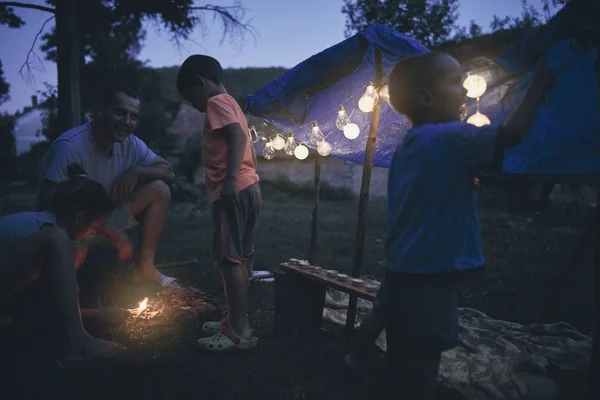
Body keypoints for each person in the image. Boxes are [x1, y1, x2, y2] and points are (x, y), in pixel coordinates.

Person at [347, 51, 556, 398]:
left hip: (402, 261)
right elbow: (512, 135)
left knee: (390, 317)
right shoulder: (452, 138)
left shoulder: (410, 145)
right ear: (427, 97)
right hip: (435, 268)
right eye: (456, 82)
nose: (465, 91)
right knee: (429, 345)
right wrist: (537, 87)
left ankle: (356, 355)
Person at [36, 87, 180, 291]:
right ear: (100, 110)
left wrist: (137, 171)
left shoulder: (130, 143)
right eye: (120, 113)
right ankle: (63, 290)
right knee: (85, 277)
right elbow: (48, 207)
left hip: (105, 214)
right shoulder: (71, 147)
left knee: (160, 189)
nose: (126, 122)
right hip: (68, 226)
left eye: (133, 117)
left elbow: (169, 172)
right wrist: (103, 229)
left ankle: (145, 268)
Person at [0, 164, 126, 365]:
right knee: (57, 239)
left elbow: (55, 307)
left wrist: (102, 315)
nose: (94, 233)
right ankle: (77, 343)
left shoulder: (42, 243)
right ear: (79, 218)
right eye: (97, 226)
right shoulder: (47, 231)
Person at [176, 55, 260, 351]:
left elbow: (236, 137)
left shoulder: (215, 103)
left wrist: (228, 181)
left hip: (233, 190)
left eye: (192, 98)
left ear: (200, 83)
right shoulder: (232, 102)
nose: (195, 106)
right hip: (250, 187)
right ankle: (236, 320)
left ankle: (238, 330)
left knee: (228, 260)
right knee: (241, 258)